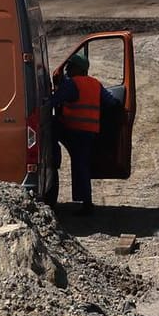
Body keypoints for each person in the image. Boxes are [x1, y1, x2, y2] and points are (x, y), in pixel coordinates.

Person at [51, 52, 101, 214]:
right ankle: (86, 202)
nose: (66, 70)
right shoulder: (95, 84)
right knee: (82, 165)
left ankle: (53, 157)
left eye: (70, 67)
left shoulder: (73, 84)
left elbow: (53, 101)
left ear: (78, 69)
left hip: (73, 130)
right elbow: (112, 102)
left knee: (50, 125)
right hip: (90, 133)